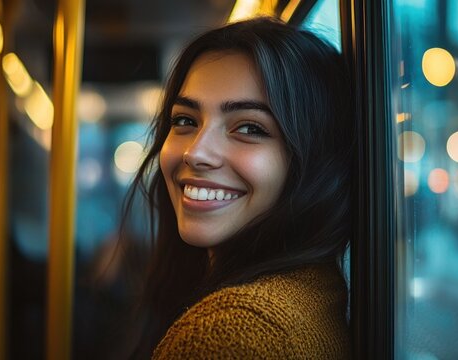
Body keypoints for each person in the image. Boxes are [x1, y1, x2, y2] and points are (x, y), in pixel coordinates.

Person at [122, 17, 353, 359]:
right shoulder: (316, 290)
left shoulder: (234, 333)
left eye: (249, 128)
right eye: (185, 120)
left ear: (315, 160)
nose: (195, 152)